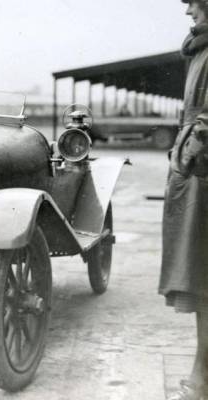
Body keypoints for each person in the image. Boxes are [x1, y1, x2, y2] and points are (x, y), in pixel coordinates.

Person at [160, 1, 208, 398]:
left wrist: (189, 150)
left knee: (203, 278)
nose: (188, 9)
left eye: (193, 1)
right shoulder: (200, 49)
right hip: (195, 170)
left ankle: (201, 379)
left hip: (203, 171)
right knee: (198, 277)